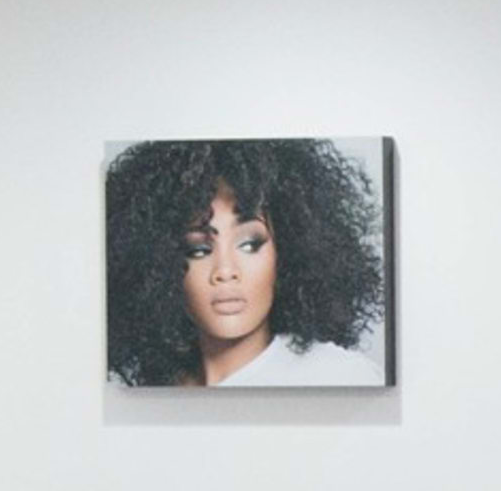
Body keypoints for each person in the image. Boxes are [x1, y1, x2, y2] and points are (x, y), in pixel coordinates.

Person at [103, 138, 390, 387]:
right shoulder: (150, 392)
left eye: (250, 244)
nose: (225, 272)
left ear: (288, 252)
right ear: (158, 269)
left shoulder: (336, 375)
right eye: (199, 250)